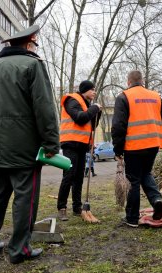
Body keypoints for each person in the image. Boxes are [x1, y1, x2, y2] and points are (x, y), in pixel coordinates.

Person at [0, 25, 60, 264]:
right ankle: (19, 249)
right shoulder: (33, 66)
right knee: (25, 198)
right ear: (29, 43)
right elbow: (44, 109)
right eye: (35, 44)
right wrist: (51, 142)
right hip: (26, 149)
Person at [111, 70, 162, 228]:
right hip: (153, 144)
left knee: (133, 180)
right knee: (145, 173)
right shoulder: (155, 96)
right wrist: (153, 133)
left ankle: (131, 218)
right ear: (142, 81)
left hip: (134, 146)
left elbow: (118, 126)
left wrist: (118, 149)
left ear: (128, 81)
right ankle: (156, 200)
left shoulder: (124, 96)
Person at [57, 80, 102, 221]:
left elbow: (92, 126)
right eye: (92, 89)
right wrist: (94, 108)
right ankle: (61, 208)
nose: (94, 92)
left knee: (78, 177)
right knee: (69, 175)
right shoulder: (72, 100)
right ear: (85, 90)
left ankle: (77, 207)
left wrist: (97, 112)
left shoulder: (86, 104)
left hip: (82, 145)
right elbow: (79, 118)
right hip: (70, 144)